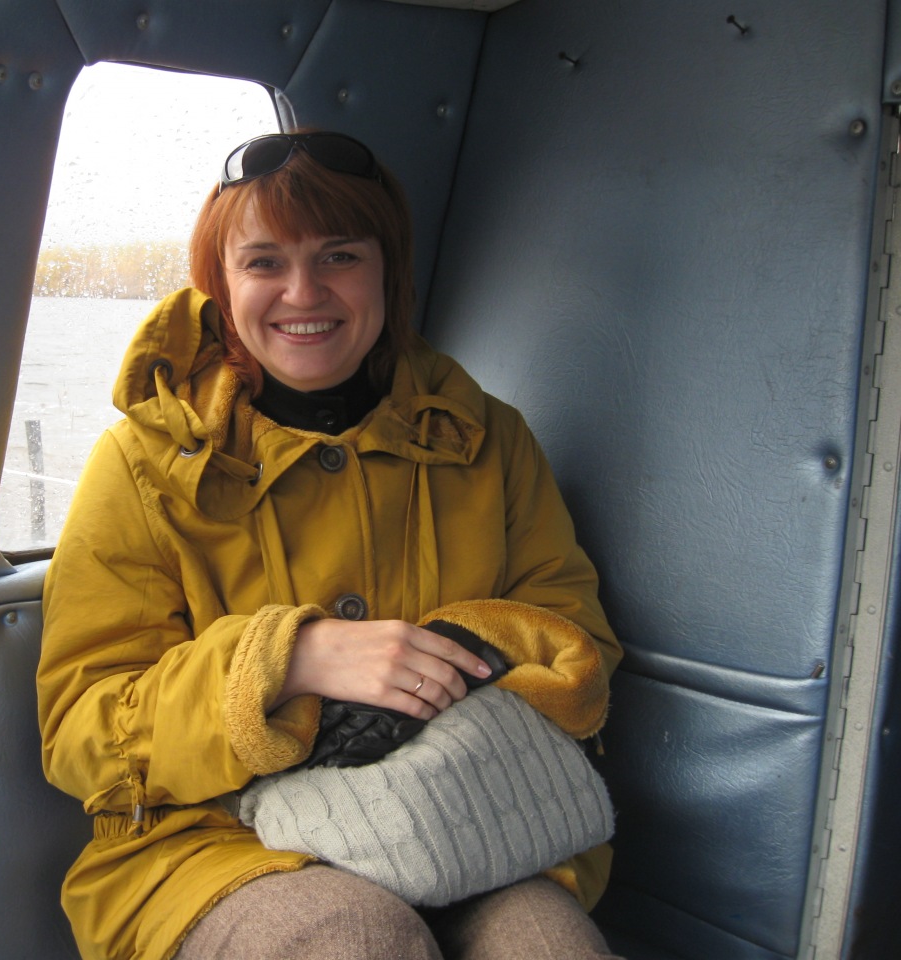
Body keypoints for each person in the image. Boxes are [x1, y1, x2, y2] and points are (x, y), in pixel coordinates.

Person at [37, 130, 624, 960]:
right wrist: (285, 664)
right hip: (215, 843)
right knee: (357, 938)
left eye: (339, 256)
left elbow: (578, 648)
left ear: (389, 269)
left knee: (549, 948)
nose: (302, 292)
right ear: (221, 283)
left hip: (460, 817)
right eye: (264, 262)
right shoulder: (140, 464)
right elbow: (83, 734)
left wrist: (449, 656)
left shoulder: (489, 440)